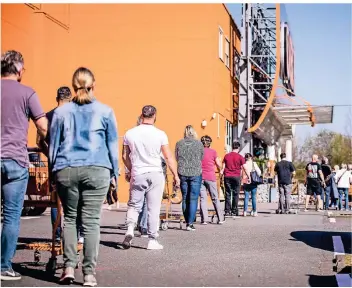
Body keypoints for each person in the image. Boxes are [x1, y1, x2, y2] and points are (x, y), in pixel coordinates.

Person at [49, 67, 118, 286]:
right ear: (93, 85)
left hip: (66, 168)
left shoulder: (61, 112)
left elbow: (53, 145)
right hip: (97, 168)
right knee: (91, 222)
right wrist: (114, 174)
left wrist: (53, 171)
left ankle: (69, 267)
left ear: (73, 86)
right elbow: (112, 146)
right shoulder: (105, 111)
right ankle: (89, 274)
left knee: (69, 219)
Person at [1, 50, 48, 281]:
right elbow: (43, 127)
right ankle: (3, 266)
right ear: (19, 70)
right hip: (15, 161)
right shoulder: (27, 93)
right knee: (11, 216)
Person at [122, 105, 179, 250]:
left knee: (134, 204)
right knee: (153, 208)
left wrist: (130, 169)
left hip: (138, 172)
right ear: (154, 116)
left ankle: (129, 229)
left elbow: (124, 156)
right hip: (155, 173)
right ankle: (152, 240)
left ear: (141, 115)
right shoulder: (160, 134)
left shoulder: (129, 133)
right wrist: (176, 175)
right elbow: (168, 156)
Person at [37, 86, 85, 242]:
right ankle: (76, 235)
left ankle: (57, 235)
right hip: (75, 163)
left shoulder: (47, 117)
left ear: (57, 98)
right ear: (70, 99)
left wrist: (50, 152)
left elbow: (40, 142)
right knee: (76, 200)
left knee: (55, 199)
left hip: (55, 164)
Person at [175, 125, 204, 231]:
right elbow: (202, 157)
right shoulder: (199, 143)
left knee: (185, 197)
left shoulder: (179, 143)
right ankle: (190, 224)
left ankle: (187, 221)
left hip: (182, 172)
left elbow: (176, 157)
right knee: (193, 198)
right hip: (195, 172)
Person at [199, 135, 223, 225]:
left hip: (200, 177)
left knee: (202, 199)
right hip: (211, 177)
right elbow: (218, 164)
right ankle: (220, 218)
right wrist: (220, 170)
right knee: (215, 198)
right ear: (210, 143)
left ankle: (204, 219)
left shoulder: (199, 152)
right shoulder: (213, 152)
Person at [221, 141, 245, 217]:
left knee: (227, 193)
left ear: (232, 147)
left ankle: (227, 211)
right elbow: (244, 167)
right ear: (238, 148)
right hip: (236, 177)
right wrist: (248, 176)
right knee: (236, 194)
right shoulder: (240, 157)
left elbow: (223, 167)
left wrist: (221, 176)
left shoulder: (226, 156)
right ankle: (234, 211)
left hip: (227, 176)